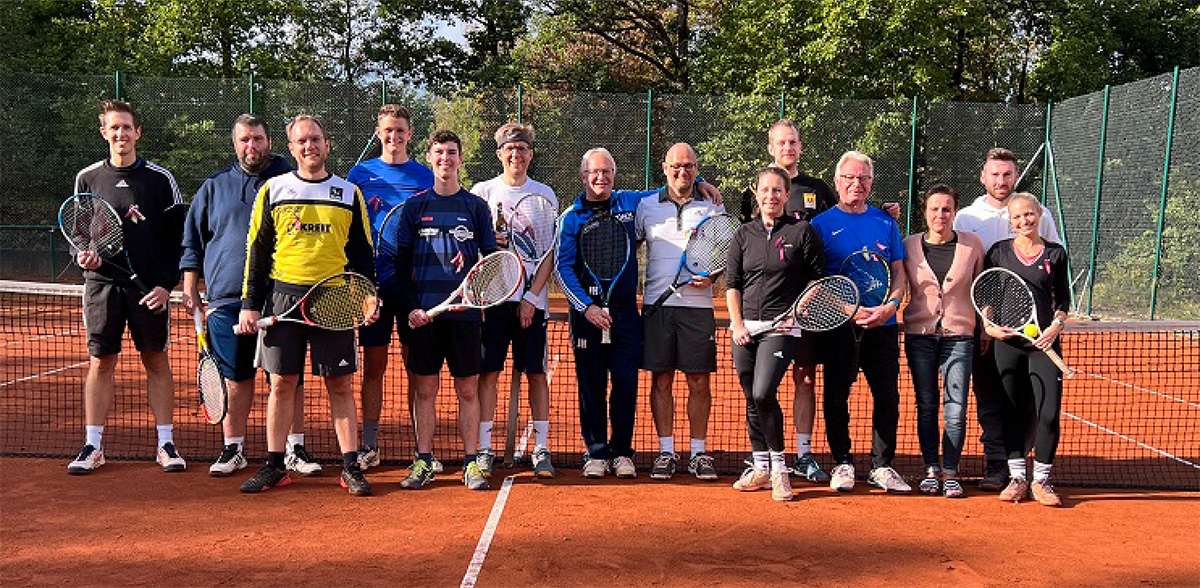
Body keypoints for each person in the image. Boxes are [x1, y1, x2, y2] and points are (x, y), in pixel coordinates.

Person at [556, 148, 722, 479]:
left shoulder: (631, 203)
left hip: (626, 315)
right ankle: (596, 453)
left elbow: (676, 182)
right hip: (587, 315)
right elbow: (563, 268)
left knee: (626, 384)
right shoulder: (570, 217)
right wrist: (585, 308)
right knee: (591, 386)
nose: (600, 177)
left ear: (615, 174)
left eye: (607, 171)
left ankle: (621, 452)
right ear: (583, 176)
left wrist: (699, 180)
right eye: (594, 172)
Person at [236, 114, 377, 496]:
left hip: (334, 297)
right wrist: (250, 304)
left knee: (341, 385)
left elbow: (363, 252)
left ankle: (350, 467)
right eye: (301, 141)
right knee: (282, 384)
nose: (309, 146)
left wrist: (368, 295)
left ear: (327, 144)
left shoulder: (349, 194)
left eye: (315, 139)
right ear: (292, 148)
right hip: (283, 297)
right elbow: (258, 251)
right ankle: (274, 465)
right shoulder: (274, 190)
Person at [180, 114, 320, 478]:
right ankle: (233, 449)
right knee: (236, 379)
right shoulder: (214, 186)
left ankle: (295, 449)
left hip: (281, 296)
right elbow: (193, 241)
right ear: (235, 143)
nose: (251, 146)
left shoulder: (292, 182)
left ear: (270, 141)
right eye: (245, 140)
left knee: (286, 378)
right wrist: (190, 283)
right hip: (227, 300)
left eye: (257, 139)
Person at [67, 100, 186, 475]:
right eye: (113, 128)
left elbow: (178, 240)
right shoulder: (87, 179)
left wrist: (167, 286)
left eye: (126, 128)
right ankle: (93, 445)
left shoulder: (160, 179)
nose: (121, 134)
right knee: (101, 362)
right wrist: (83, 255)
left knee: (156, 361)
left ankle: (166, 443)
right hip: (101, 287)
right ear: (104, 133)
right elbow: (80, 234)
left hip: (150, 290)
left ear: (138, 133)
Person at [387, 130, 498, 491]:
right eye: (439, 153)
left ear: (460, 159)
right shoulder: (415, 207)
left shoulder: (476, 207)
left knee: (468, 390)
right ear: (430, 157)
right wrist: (411, 309)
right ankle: (423, 461)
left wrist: (474, 293)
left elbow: (490, 264)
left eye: (452, 152)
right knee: (424, 391)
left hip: (464, 316)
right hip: (424, 318)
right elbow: (401, 266)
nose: (445, 159)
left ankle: (470, 463)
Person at [954, 147, 1062, 491]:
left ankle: (1028, 467)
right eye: (995, 174)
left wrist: (1053, 322)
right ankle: (998, 466)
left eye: (1007, 174)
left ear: (1016, 177)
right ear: (983, 177)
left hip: (1034, 327)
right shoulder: (968, 217)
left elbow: (1053, 266)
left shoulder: (1037, 211)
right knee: (991, 395)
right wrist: (984, 322)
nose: (1001, 181)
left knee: (1030, 401)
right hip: (987, 325)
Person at [810, 151, 911, 493]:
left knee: (887, 396)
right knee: (836, 395)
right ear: (837, 182)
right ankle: (842, 463)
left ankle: (882, 466)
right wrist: (849, 310)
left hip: (882, 326)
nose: (857, 184)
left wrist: (891, 306)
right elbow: (816, 281)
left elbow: (899, 272)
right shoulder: (819, 225)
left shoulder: (886, 222)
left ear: (871, 183)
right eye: (850, 178)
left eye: (864, 178)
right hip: (840, 326)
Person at [726, 167, 826, 502]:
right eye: (765, 190)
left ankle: (781, 469)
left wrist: (796, 310)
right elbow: (732, 285)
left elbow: (816, 278)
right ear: (756, 193)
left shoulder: (802, 231)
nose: (771, 196)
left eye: (777, 191)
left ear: (786, 195)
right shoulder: (743, 234)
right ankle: (760, 467)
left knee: (763, 392)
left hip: (782, 328)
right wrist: (737, 324)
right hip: (745, 328)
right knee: (750, 396)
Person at [346, 104, 436, 472]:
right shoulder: (360, 174)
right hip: (373, 285)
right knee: (374, 365)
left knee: (417, 368)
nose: (394, 137)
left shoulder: (425, 176)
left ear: (410, 134)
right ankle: (369, 445)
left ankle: (421, 449)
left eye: (400, 131)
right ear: (379, 132)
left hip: (413, 286)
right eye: (388, 130)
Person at [471, 123, 558, 479]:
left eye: (522, 149)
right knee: (488, 373)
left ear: (530, 154)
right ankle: (485, 448)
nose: (516, 155)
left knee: (537, 374)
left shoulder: (545, 194)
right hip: (492, 302)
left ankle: (541, 448)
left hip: (531, 305)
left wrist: (532, 297)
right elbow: (476, 251)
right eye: (510, 149)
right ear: (499, 154)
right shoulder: (482, 193)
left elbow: (549, 253)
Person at [636, 143, 722, 482]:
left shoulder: (713, 205)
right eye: (675, 165)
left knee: (699, 381)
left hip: (697, 310)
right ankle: (666, 452)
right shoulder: (645, 206)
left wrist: (713, 276)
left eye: (688, 166)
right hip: (658, 306)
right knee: (661, 380)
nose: (682, 171)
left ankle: (699, 453)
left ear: (697, 168)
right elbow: (634, 246)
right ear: (664, 166)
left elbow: (723, 251)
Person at [984, 193, 1071, 507]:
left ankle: (1042, 480)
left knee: (1047, 413)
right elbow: (988, 297)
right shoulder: (998, 252)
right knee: (1012, 410)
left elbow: (1063, 300)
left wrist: (1055, 327)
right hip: (1007, 344)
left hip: (1043, 344)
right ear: (1010, 222)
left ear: (1039, 215)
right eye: (1018, 217)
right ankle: (1017, 478)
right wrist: (989, 327)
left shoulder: (1055, 254)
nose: (1024, 222)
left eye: (1029, 215)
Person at [901, 184, 985, 498]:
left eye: (946, 209)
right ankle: (931, 470)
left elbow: (982, 290)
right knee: (926, 405)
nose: (940, 214)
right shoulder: (909, 244)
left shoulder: (972, 245)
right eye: (934, 208)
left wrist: (985, 328)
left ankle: (950, 472)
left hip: (960, 336)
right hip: (920, 337)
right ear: (925, 212)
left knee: (956, 408)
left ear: (955, 212)